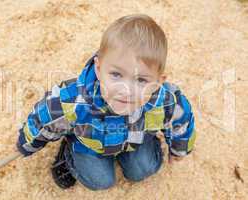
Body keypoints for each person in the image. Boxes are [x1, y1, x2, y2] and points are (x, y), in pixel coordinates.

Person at [16, 14, 196, 191]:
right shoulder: (74, 99)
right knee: (100, 181)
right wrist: (28, 143)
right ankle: (68, 151)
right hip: (90, 145)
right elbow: (44, 117)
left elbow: (182, 121)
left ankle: (137, 154)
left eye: (141, 80)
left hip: (136, 140)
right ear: (99, 68)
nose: (126, 90)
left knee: (143, 169)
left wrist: (179, 149)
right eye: (116, 75)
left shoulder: (166, 102)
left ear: (158, 81)